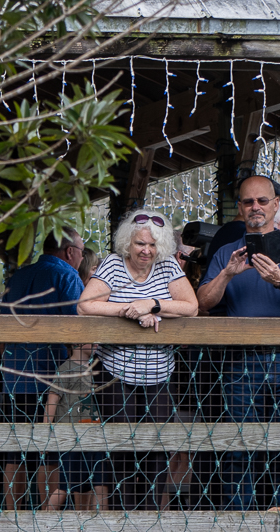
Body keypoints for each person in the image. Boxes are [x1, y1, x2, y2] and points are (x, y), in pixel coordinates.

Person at [196, 176, 280, 511]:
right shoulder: (226, 253)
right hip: (241, 360)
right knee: (239, 443)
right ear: (240, 207)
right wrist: (227, 273)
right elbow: (202, 303)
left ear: (275, 204)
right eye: (249, 202)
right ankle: (241, 518)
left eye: (262, 201)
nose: (256, 208)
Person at [76, 212, 200, 511]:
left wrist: (153, 305)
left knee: (157, 447)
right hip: (115, 371)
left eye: (153, 245)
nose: (146, 250)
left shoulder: (168, 265)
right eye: (140, 243)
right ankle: (124, 522)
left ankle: (152, 519)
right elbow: (85, 305)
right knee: (122, 446)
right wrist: (128, 309)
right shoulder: (113, 264)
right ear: (127, 243)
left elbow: (191, 307)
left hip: (159, 371)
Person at [0, 231, 86, 510]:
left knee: (16, 451)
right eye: (82, 252)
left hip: (14, 378)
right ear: (70, 252)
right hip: (51, 378)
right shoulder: (68, 276)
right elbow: (81, 326)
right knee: (49, 452)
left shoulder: (18, 278)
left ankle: (13, 522)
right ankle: (46, 524)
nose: (82, 258)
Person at [42, 342, 99, 511]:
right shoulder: (66, 368)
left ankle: (81, 530)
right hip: (69, 437)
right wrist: (45, 434)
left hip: (90, 436)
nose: (96, 343)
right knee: (64, 486)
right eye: (91, 339)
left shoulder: (95, 368)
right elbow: (52, 400)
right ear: (77, 342)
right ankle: (43, 527)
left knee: (86, 485)